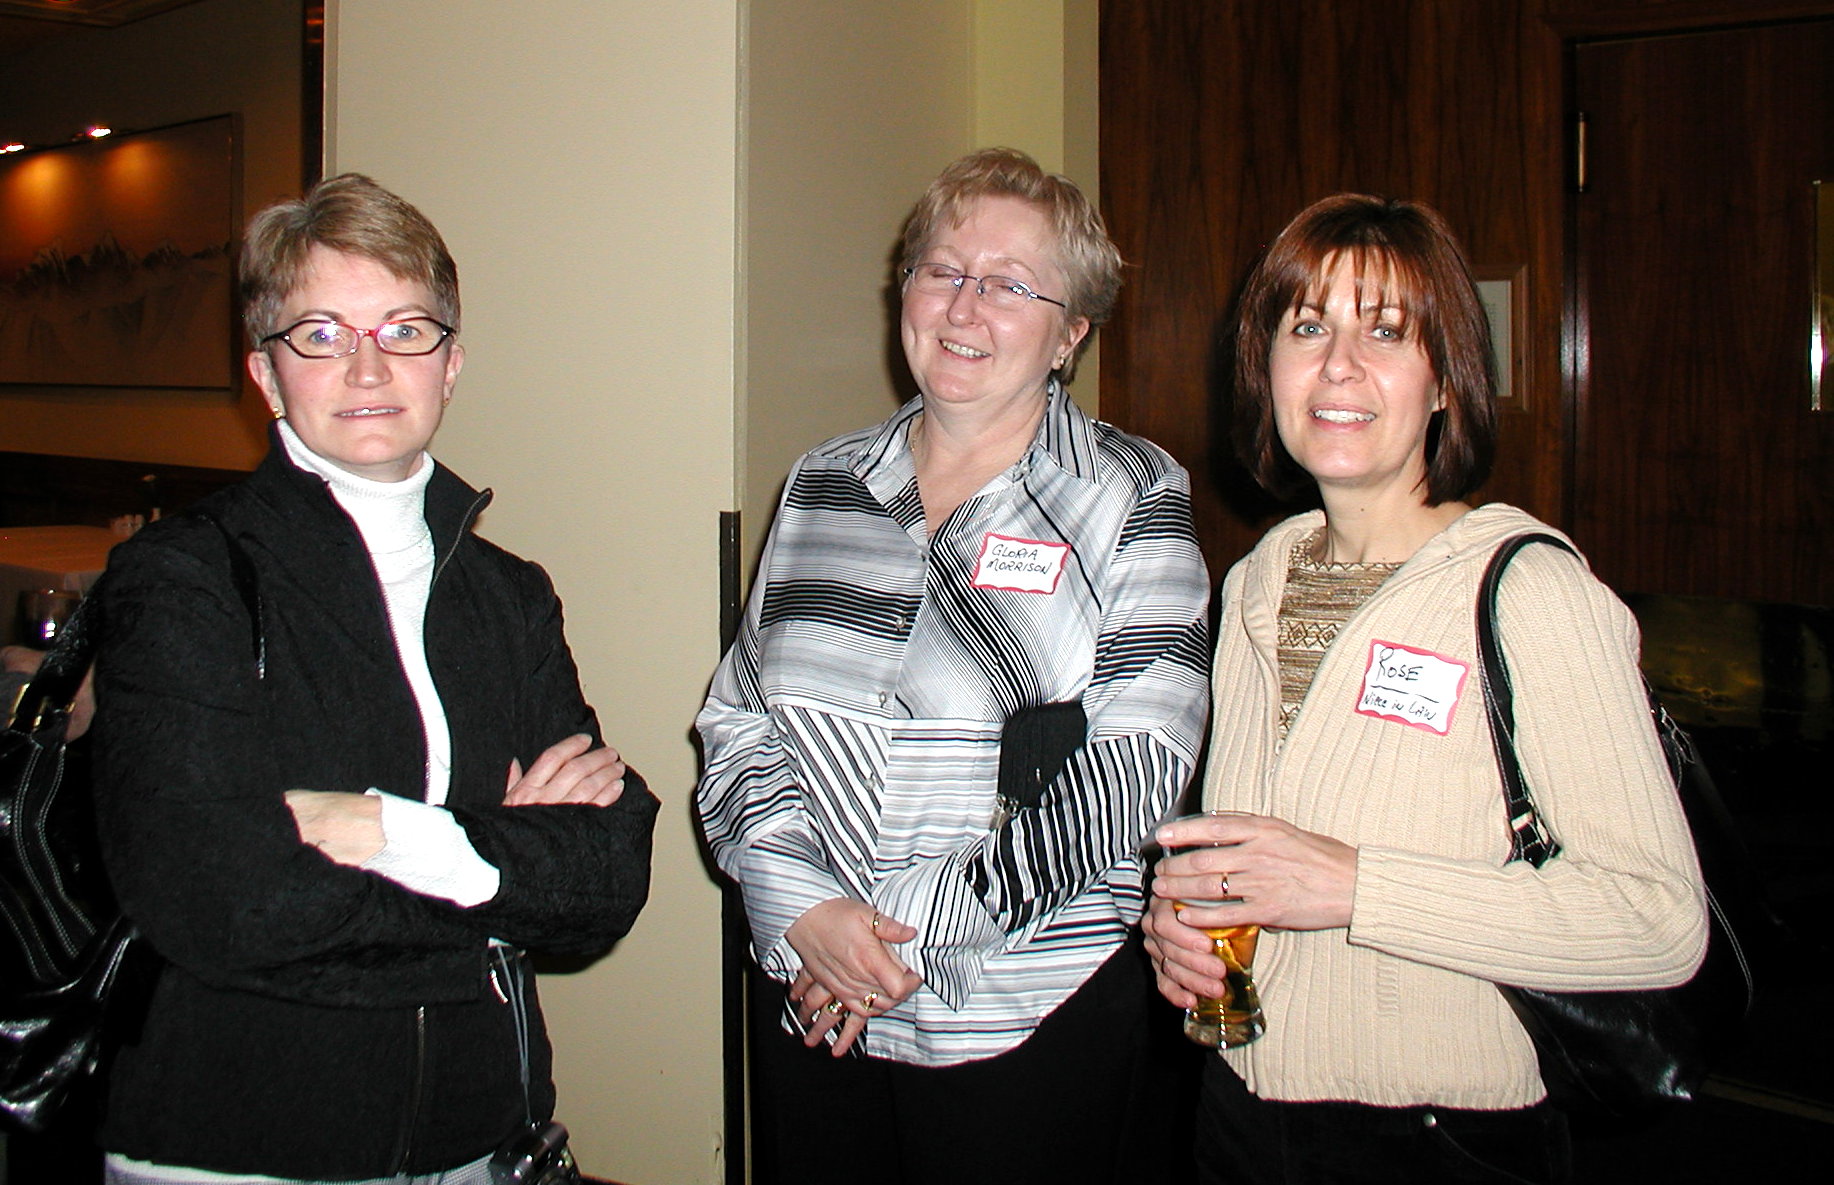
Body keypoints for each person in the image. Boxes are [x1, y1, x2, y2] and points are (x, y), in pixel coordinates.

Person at [89, 174, 659, 1184]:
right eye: (319, 333)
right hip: (239, 1145)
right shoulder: (183, 578)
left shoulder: (509, 593)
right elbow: (224, 897)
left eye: (405, 330)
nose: (366, 366)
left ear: (452, 364)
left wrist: (382, 831)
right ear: (265, 374)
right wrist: (499, 881)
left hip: (481, 1136)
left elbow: (609, 873)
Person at [1142, 194, 1708, 1185]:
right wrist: (1177, 931)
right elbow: (1251, 858)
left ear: (1445, 378)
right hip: (1237, 1107)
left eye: (1386, 333)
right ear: (1263, 367)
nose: (1337, 367)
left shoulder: (1529, 591)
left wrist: (1355, 888)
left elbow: (1658, 921)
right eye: (1306, 327)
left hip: (1438, 1135)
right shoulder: (1255, 585)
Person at [695, 148, 1211, 1183]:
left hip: (1023, 1010)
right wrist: (802, 911)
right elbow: (737, 719)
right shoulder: (823, 485)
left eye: (1010, 283)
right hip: (812, 1001)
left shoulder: (1130, 496)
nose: (963, 305)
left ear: (1071, 333)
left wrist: (895, 941)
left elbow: (1139, 766)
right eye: (940, 270)